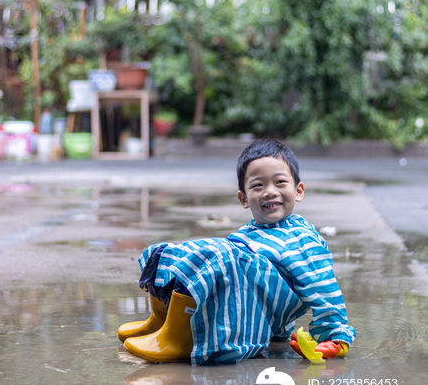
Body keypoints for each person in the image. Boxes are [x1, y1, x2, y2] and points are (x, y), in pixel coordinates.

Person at [118, 139, 356, 365]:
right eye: (258, 185)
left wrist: (335, 336)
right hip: (245, 301)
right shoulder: (249, 231)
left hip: (259, 314)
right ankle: (163, 321)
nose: (270, 191)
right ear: (243, 198)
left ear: (298, 191)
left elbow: (322, 286)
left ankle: (177, 339)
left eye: (280, 183)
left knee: (218, 254)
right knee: (175, 251)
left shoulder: (301, 239)